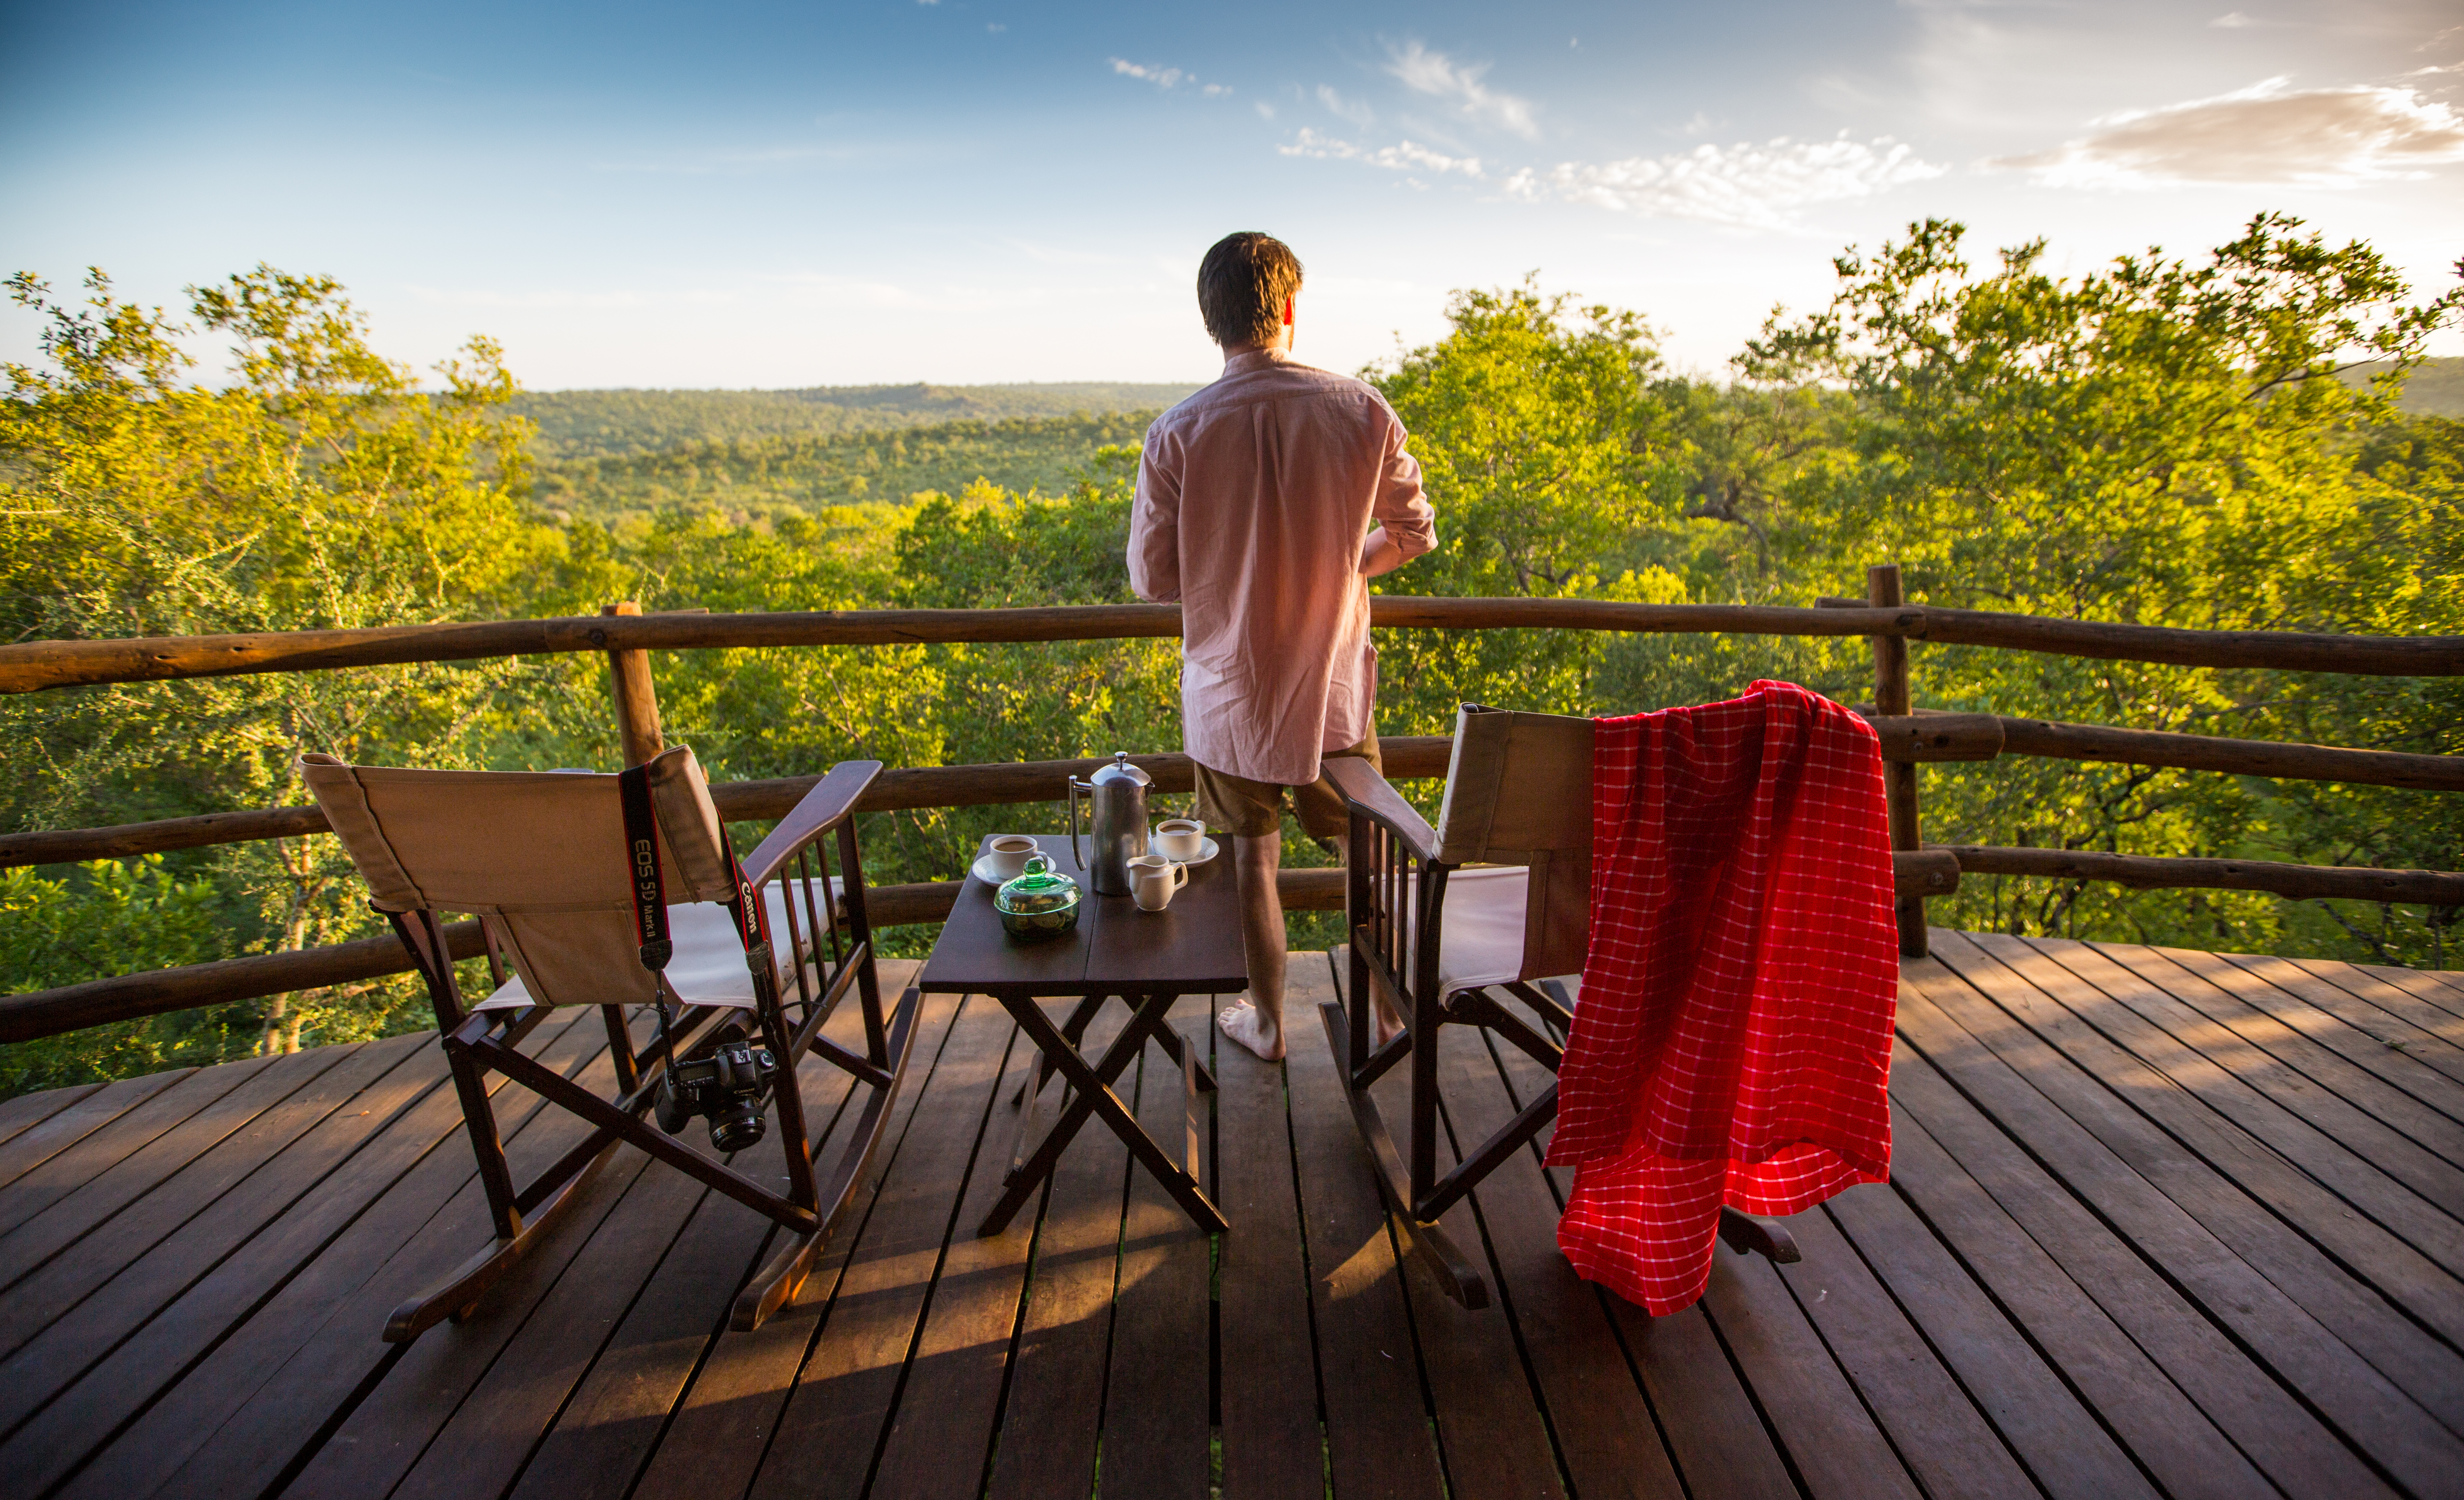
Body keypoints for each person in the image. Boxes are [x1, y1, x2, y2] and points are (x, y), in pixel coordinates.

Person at [1128, 232, 1437, 1062]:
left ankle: (1267, 1026)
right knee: (1360, 856)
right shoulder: (1362, 409)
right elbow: (1414, 531)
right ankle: (1384, 1015)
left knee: (1252, 865)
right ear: (1292, 308)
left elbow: (1155, 579)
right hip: (1332, 685)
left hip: (1231, 696)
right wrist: (1344, 569)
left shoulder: (1177, 431)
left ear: (1209, 321)